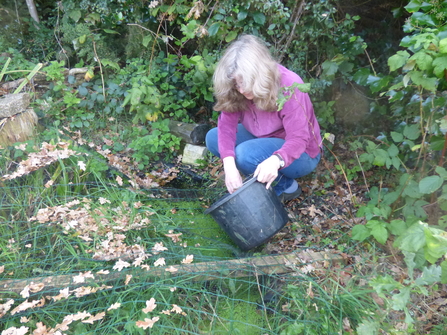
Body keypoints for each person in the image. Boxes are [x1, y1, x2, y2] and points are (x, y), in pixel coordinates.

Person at [205, 34, 322, 202]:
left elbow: (299, 138)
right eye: (237, 84)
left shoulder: (289, 85)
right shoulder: (236, 89)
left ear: (259, 74)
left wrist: (275, 161)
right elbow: (226, 127)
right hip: (261, 137)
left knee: (245, 155)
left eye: (245, 82)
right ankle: (262, 175)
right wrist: (229, 167)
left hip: (302, 152)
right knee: (213, 138)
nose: (242, 90)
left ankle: (286, 187)